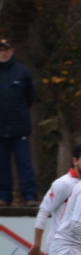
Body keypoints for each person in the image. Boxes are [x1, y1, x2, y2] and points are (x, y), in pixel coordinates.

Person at [0, 38, 38, 207]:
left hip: (19, 127)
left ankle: (29, 196)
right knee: (2, 165)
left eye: (6, 50)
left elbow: (30, 97)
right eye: (0, 50)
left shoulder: (22, 72)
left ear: (12, 51)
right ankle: (3, 197)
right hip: (0, 129)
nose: (3, 53)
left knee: (24, 163)